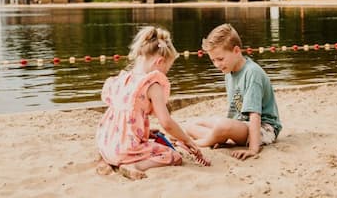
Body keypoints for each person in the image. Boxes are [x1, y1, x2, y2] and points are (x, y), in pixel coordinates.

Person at [96, 26, 209, 180]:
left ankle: (107, 161)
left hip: (106, 143)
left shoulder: (123, 79)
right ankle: (134, 166)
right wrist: (187, 140)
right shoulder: (152, 85)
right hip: (125, 149)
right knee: (172, 155)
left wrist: (146, 132)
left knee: (144, 142)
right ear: (160, 62)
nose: (164, 74)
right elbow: (167, 122)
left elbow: (123, 120)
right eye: (166, 69)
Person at [185, 23, 282, 160]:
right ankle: (217, 138)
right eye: (213, 60)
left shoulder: (252, 72)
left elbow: (255, 115)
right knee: (192, 124)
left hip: (263, 129)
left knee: (222, 125)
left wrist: (253, 149)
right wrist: (224, 131)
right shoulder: (229, 71)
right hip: (241, 124)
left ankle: (202, 142)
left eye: (220, 59)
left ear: (236, 51)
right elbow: (234, 110)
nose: (217, 65)